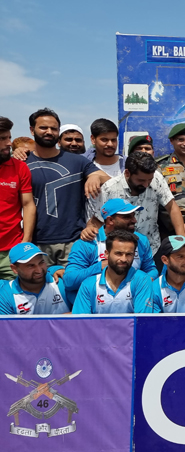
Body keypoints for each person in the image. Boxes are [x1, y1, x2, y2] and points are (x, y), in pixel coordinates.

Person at [25, 108, 108, 266]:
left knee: (73, 288)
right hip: (35, 244)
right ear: (32, 130)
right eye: (43, 128)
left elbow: (110, 181)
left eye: (54, 128)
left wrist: (95, 176)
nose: (49, 132)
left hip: (73, 242)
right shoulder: (22, 162)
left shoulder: (77, 161)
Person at [86, 151, 184, 254]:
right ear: (127, 173)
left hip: (152, 249)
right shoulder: (109, 189)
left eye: (149, 180)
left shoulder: (157, 178)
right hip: (121, 252)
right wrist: (89, 229)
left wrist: (182, 242)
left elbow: (172, 207)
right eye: (141, 181)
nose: (146, 185)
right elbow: (98, 220)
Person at [65, 199, 158, 302]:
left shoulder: (141, 240)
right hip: (96, 309)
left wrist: (145, 281)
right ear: (110, 220)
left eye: (133, 215)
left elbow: (151, 270)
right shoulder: (87, 243)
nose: (134, 220)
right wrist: (100, 267)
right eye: (127, 217)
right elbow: (69, 280)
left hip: (133, 306)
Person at [72, 230, 155, 314]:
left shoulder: (143, 280)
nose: (124, 259)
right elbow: (81, 323)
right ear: (106, 254)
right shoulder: (88, 285)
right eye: (118, 253)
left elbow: (141, 321)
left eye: (129, 254)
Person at [0, 117, 36, 280]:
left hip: (11, 251)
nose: (9, 143)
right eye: (3, 138)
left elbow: (28, 205)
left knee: (17, 301)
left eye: (9, 137)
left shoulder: (20, 168)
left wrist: (25, 242)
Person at [0, 243, 70, 315]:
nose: (39, 270)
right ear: (14, 269)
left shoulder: (61, 282)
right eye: (31, 266)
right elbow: (7, 326)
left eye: (41, 262)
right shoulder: (5, 296)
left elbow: (81, 313)